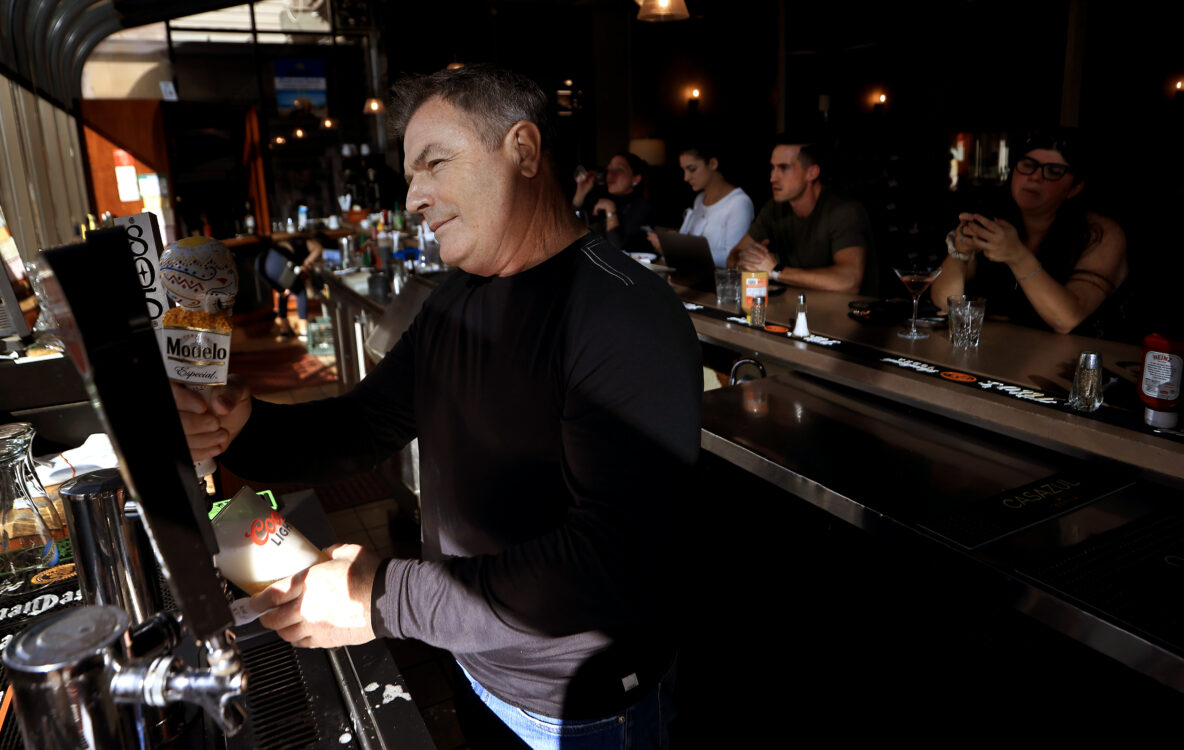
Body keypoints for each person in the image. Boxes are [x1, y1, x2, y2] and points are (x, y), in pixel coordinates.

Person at [175, 64, 699, 750]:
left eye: (435, 163)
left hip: (575, 706)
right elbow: (365, 426)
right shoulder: (455, 301)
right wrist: (243, 427)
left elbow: (610, 562)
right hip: (469, 659)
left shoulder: (622, 316)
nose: (414, 195)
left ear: (524, 150)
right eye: (410, 172)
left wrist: (382, 598)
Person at [930, 128, 1127, 336]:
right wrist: (959, 252)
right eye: (1027, 165)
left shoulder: (1100, 233)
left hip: (1077, 361)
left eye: (1053, 171)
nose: (1034, 177)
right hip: (1000, 354)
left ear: (1074, 188)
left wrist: (1017, 255)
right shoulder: (995, 221)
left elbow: (1067, 319)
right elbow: (943, 302)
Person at [727, 134, 878, 296]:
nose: (772, 177)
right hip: (797, 309)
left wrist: (776, 271)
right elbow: (732, 258)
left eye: (784, 168)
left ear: (811, 173)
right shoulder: (774, 208)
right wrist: (748, 261)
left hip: (849, 314)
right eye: (772, 168)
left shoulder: (844, 211)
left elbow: (849, 280)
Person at [647, 145, 754, 268]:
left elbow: (732, 257)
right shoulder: (699, 199)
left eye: (692, 169)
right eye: (684, 170)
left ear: (713, 163)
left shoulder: (739, 203)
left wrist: (678, 249)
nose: (686, 178)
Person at [571, 152, 655, 255]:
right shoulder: (600, 199)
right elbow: (568, 233)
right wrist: (580, 195)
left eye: (619, 169)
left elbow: (617, 251)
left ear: (636, 179)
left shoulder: (643, 206)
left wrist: (610, 209)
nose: (611, 174)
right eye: (609, 169)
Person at [256, 237, 322, 340]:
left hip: (262, 266)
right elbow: (317, 250)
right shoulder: (310, 244)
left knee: (282, 293)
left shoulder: (292, 243)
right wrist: (306, 264)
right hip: (278, 262)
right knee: (300, 291)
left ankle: (284, 330)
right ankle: (303, 331)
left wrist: (283, 287)